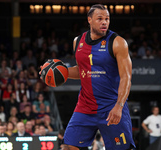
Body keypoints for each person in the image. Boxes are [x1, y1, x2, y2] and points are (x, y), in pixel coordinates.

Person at [40, 4, 135, 150]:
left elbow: (126, 78)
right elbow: (82, 71)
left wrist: (119, 106)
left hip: (111, 106)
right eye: (100, 19)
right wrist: (56, 73)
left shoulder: (118, 42)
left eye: (107, 19)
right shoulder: (77, 41)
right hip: (85, 106)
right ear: (89, 20)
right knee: (68, 146)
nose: (104, 22)